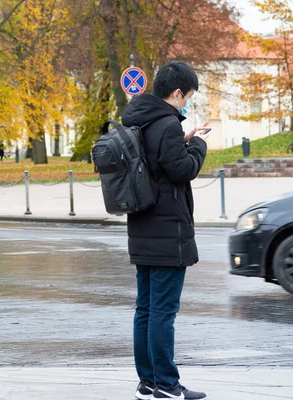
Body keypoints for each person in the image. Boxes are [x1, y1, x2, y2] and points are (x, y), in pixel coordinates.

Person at [121, 61, 210, 400]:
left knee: (145, 308)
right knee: (163, 311)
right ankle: (167, 385)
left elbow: (158, 162)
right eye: (187, 96)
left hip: (142, 227)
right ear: (176, 93)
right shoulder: (167, 124)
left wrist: (181, 138)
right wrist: (198, 144)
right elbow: (182, 169)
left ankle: (147, 382)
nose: (187, 102)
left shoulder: (139, 120)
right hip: (167, 232)